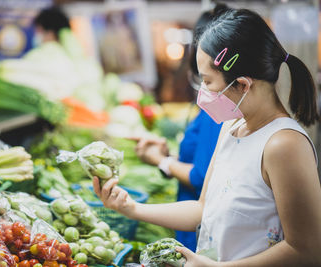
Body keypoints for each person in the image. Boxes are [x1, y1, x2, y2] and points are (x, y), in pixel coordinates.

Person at [94, 7, 321, 266]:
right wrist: (130, 209)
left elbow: (306, 250)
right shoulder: (231, 127)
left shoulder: (284, 145)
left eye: (208, 81)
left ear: (243, 85)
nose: (203, 91)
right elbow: (203, 209)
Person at [133, 4, 228, 252]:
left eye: (207, 79)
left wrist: (161, 162)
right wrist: (169, 157)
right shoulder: (219, 104)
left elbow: (201, 175)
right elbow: (210, 163)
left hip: (198, 228)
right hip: (194, 221)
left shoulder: (218, 108)